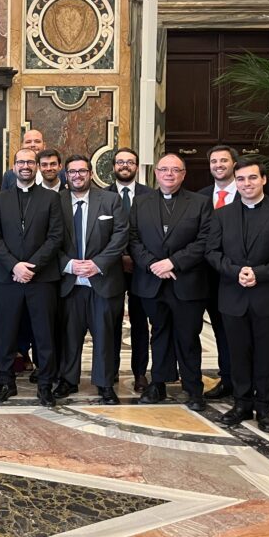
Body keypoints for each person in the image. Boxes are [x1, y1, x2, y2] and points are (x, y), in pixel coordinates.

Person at [206, 160, 269, 433]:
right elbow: (212, 252)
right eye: (241, 179)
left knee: (266, 355)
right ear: (235, 182)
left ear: (263, 180)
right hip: (233, 296)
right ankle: (241, 404)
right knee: (238, 354)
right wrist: (236, 271)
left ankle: (264, 408)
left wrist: (259, 273)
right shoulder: (222, 215)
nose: (246, 184)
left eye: (252, 178)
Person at [129, 153, 212, 412]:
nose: (169, 174)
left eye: (175, 170)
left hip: (187, 282)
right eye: (164, 169)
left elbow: (205, 240)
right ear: (156, 173)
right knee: (159, 334)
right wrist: (153, 264)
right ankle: (158, 384)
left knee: (187, 336)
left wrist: (173, 262)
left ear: (183, 174)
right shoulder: (140, 203)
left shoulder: (200, 203)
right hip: (152, 282)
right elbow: (133, 239)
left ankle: (193, 387)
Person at [0, 149, 64, 405]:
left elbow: (55, 236)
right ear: (13, 167)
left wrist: (31, 266)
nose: (26, 166)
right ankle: (5, 382)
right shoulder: (0, 199)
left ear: (37, 166)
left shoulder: (51, 198)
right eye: (21, 162)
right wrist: (14, 266)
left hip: (41, 279)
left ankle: (45, 385)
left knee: (44, 335)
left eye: (30, 162)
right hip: (8, 278)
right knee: (6, 333)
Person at [55, 155, 128, 405]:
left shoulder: (110, 200)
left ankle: (105, 383)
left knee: (105, 336)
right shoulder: (56, 202)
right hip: (69, 282)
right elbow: (48, 238)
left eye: (82, 171)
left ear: (91, 173)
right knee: (69, 335)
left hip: (103, 281)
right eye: (72, 172)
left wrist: (98, 264)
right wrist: (68, 264)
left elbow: (120, 235)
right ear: (66, 175)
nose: (77, 175)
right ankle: (68, 379)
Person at [105, 146, 153, 393]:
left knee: (139, 323)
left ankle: (140, 373)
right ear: (113, 167)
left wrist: (137, 258)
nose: (125, 166)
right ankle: (110, 370)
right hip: (112, 269)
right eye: (120, 162)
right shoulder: (101, 195)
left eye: (130, 162)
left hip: (141, 270)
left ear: (137, 166)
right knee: (110, 322)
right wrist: (120, 257)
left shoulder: (150, 195)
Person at [198, 144, 238, 401]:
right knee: (220, 332)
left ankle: (244, 381)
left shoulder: (246, 193)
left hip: (235, 277)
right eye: (214, 161)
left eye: (224, 160)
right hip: (205, 278)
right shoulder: (200, 197)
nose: (218, 165)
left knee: (237, 332)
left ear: (234, 164)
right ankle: (228, 379)